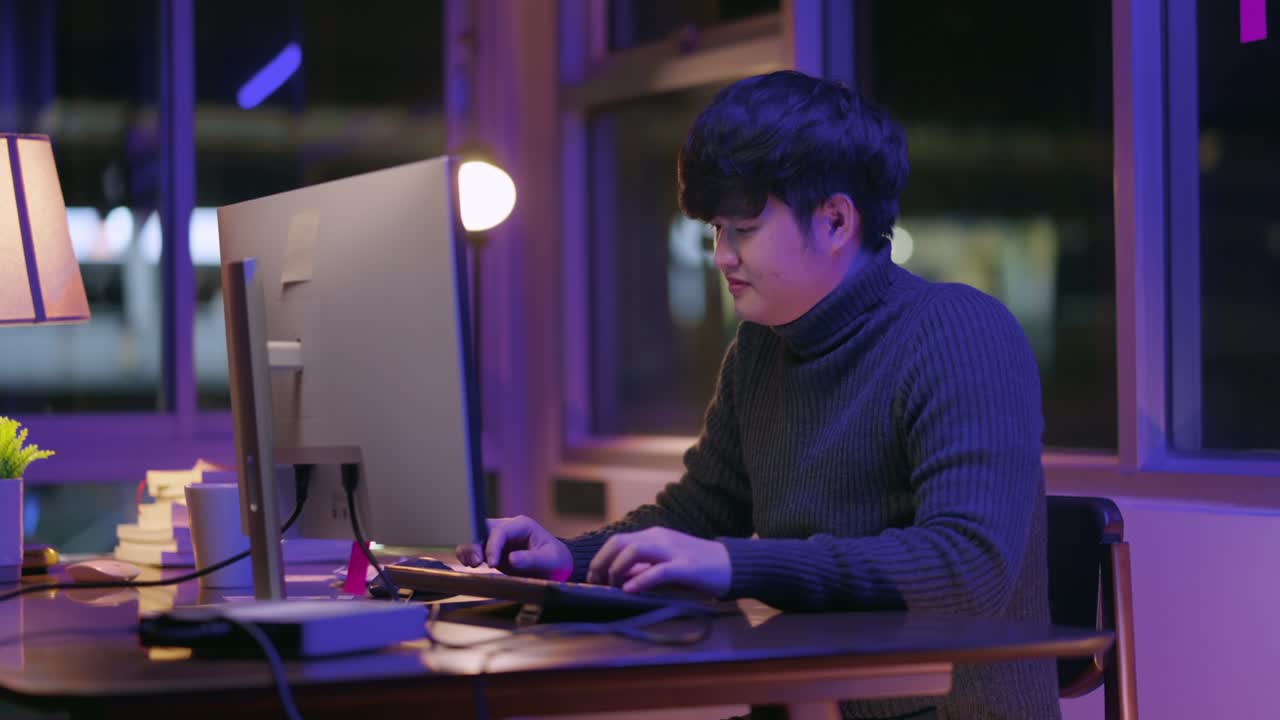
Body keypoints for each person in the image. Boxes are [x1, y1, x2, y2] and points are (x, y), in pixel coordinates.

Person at [457, 70, 1059, 720]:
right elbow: (699, 514)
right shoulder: (759, 349)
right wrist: (564, 560)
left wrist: (730, 564)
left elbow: (968, 569)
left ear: (835, 220)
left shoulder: (958, 331)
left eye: (742, 228)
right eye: (715, 231)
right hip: (806, 703)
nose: (721, 256)